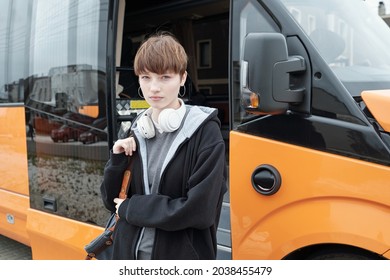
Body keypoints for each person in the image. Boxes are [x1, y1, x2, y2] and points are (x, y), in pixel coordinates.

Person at [100, 32, 227, 260]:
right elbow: (112, 202)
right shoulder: (138, 128)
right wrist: (117, 159)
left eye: (165, 77)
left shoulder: (205, 133)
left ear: (182, 78)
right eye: (146, 77)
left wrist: (132, 208)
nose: (153, 88)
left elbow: (200, 210)